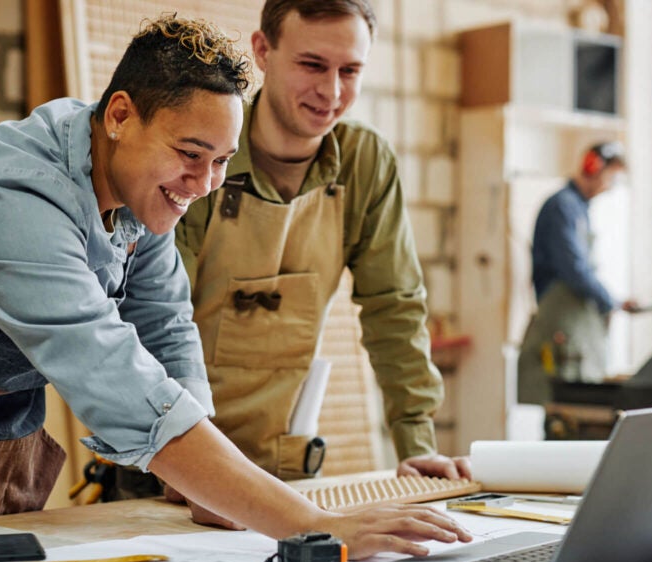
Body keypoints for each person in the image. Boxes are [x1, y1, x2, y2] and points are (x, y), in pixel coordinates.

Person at [0, 14, 471, 557]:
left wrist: (207, 474)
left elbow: (165, 323)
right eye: (189, 155)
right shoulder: (15, 199)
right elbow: (119, 380)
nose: (205, 184)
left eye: (220, 162)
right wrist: (306, 523)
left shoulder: (129, 179)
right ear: (121, 114)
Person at [107, 0, 469, 517]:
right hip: (166, 471)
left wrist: (417, 443)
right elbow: (156, 321)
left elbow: (396, 309)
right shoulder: (201, 156)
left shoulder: (366, 164)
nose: (332, 91)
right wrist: (187, 462)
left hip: (286, 474)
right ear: (263, 51)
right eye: (312, 65)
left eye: (351, 70)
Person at [517, 142, 635, 406]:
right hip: (560, 320)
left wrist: (614, 301)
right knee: (563, 409)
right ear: (593, 167)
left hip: (572, 320)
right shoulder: (563, 206)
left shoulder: (578, 209)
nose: (610, 186)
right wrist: (609, 301)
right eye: (611, 176)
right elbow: (574, 268)